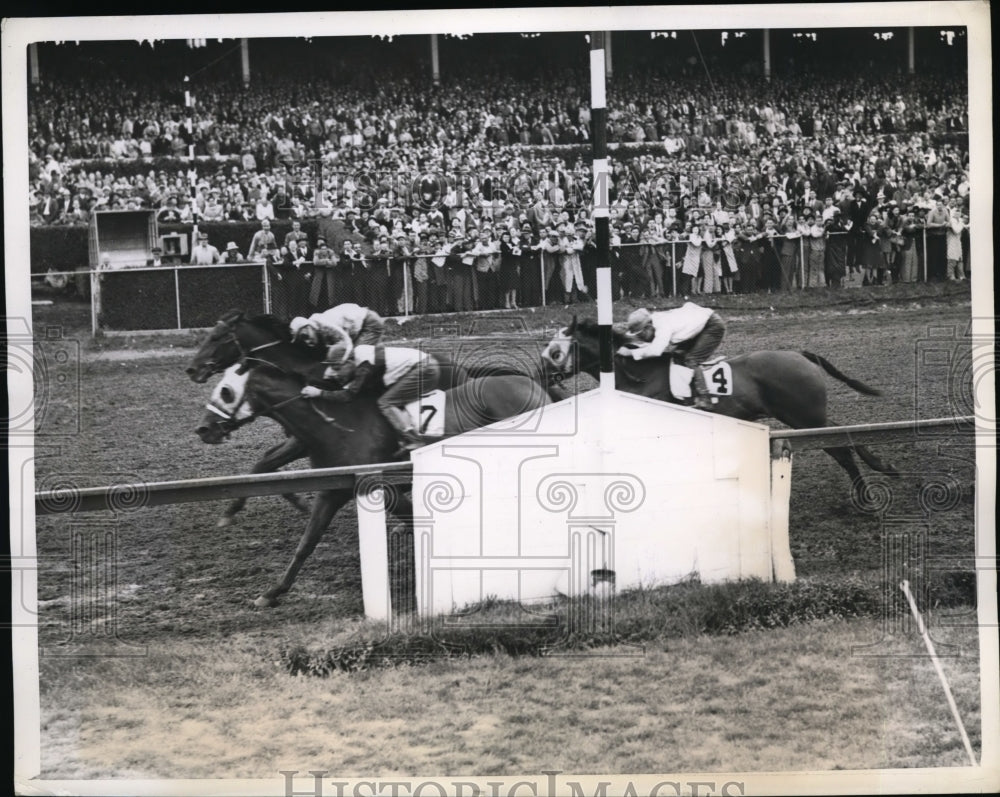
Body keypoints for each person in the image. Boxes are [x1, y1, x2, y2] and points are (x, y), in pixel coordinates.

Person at [301, 342, 441, 454]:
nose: (336, 374)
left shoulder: (364, 367)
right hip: (423, 364)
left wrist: (319, 393)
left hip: (425, 369)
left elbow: (348, 396)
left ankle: (413, 440)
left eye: (338, 368)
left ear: (349, 362)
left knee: (385, 402)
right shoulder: (357, 354)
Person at [621, 302, 726, 410]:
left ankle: (705, 398)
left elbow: (656, 350)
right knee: (678, 355)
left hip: (712, 326)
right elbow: (653, 344)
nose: (640, 338)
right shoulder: (655, 323)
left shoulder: (663, 326)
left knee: (691, 360)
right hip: (700, 326)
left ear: (648, 327)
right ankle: (686, 396)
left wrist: (631, 353)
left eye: (640, 334)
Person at [290, 302, 386, 360]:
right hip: (359, 326)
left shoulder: (324, 324)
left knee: (356, 356)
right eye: (303, 341)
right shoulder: (317, 329)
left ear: (309, 327)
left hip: (369, 323)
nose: (307, 342)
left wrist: (341, 362)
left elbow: (347, 343)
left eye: (305, 336)